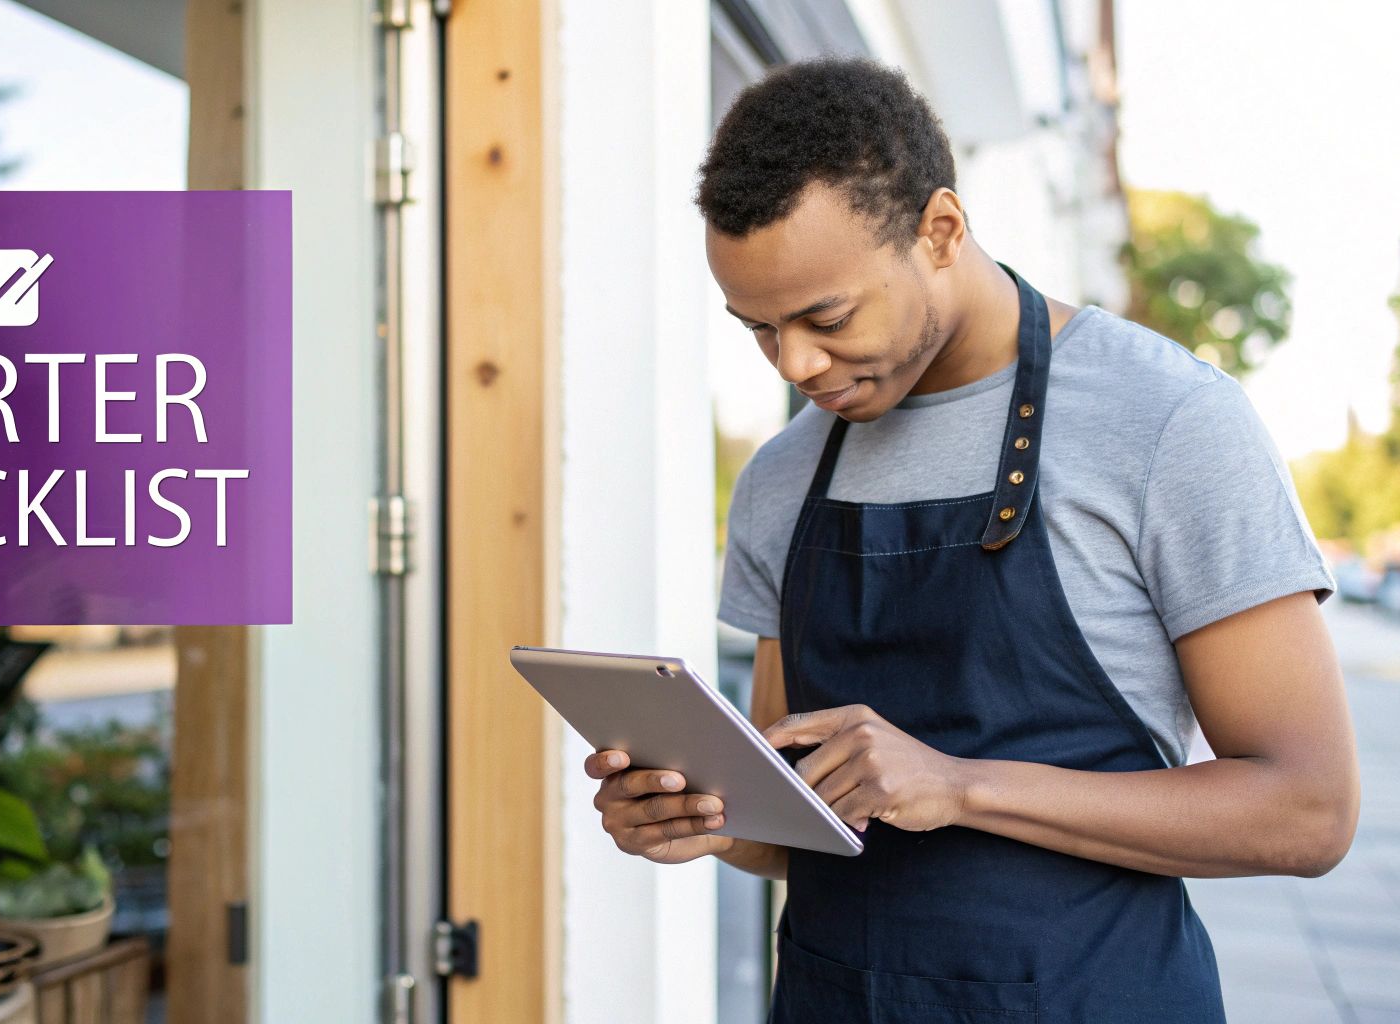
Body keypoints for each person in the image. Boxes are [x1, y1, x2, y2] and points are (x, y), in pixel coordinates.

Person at [582, 57, 1358, 1023]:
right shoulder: (783, 479)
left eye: (826, 317)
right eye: (758, 330)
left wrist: (963, 787)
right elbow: (792, 830)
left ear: (941, 230)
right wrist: (703, 812)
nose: (796, 363)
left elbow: (1309, 811)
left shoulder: (1167, 422)